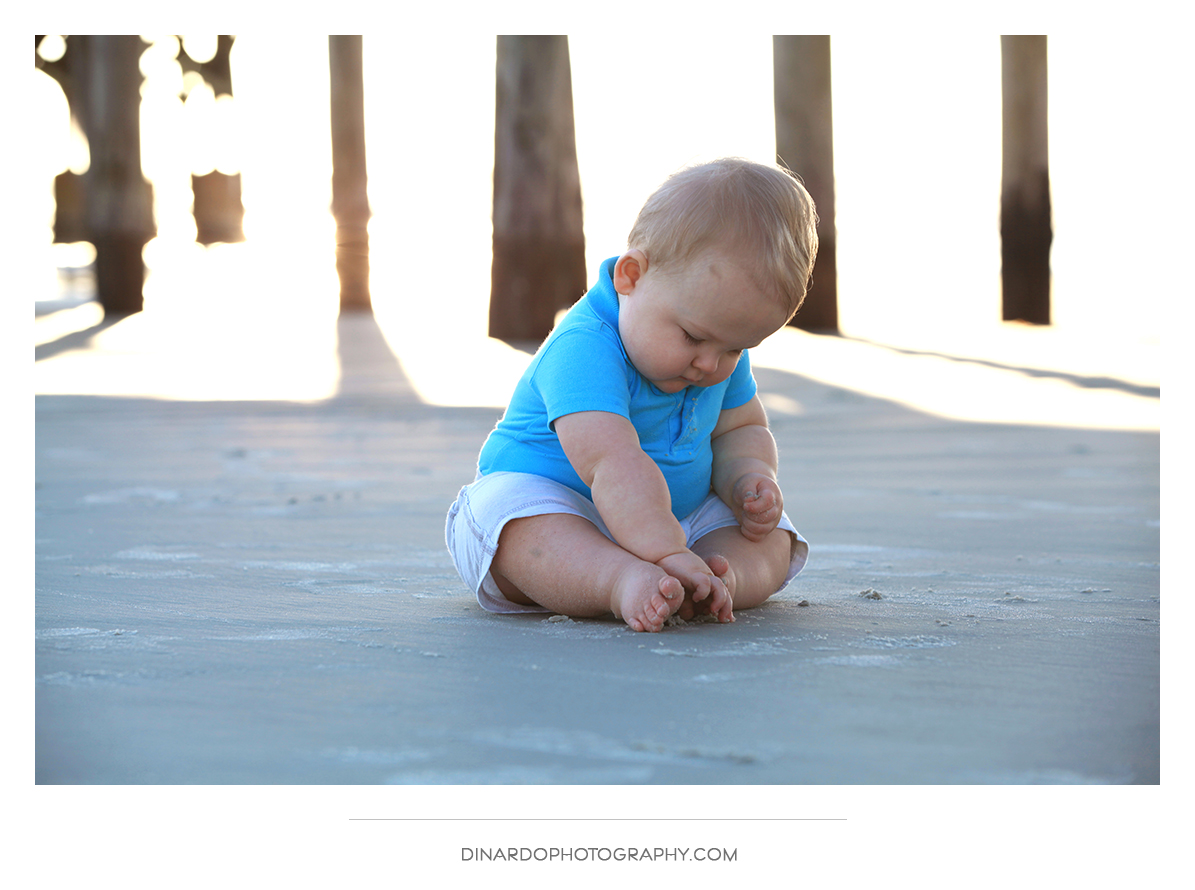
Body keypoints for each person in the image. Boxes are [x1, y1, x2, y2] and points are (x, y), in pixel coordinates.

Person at [446, 157, 818, 632]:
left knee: (773, 538)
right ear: (630, 276)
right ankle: (617, 579)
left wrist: (749, 479)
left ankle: (714, 582)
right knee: (512, 524)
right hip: (565, 508)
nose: (710, 365)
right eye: (691, 337)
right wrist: (665, 551)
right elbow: (612, 461)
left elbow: (741, 428)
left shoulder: (714, 350)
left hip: (674, 521)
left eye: (735, 348)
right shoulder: (584, 347)